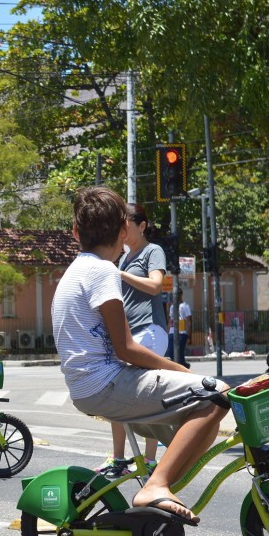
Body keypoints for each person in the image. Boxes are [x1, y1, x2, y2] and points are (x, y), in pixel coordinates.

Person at [51, 186, 230, 523]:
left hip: (89, 386)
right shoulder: (102, 271)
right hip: (106, 384)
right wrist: (183, 371)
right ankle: (155, 487)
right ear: (123, 230)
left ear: (75, 233)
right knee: (216, 393)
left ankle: (157, 520)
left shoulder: (74, 271)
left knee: (187, 431)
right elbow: (127, 349)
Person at [95, 203, 168, 478]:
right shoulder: (124, 257)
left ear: (142, 225)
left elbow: (155, 285)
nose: (122, 231)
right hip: (129, 333)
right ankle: (118, 457)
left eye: (126, 225)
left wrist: (119, 274)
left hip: (150, 330)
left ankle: (149, 459)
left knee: (147, 393)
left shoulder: (152, 251)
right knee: (116, 388)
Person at [166, 288, 192, 368]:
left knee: (179, 354)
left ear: (181, 295)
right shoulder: (172, 307)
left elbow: (189, 322)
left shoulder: (185, 306)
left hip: (182, 333)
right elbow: (170, 320)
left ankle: (184, 367)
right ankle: (183, 366)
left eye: (177, 295)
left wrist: (189, 336)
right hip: (172, 332)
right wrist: (168, 333)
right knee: (169, 354)